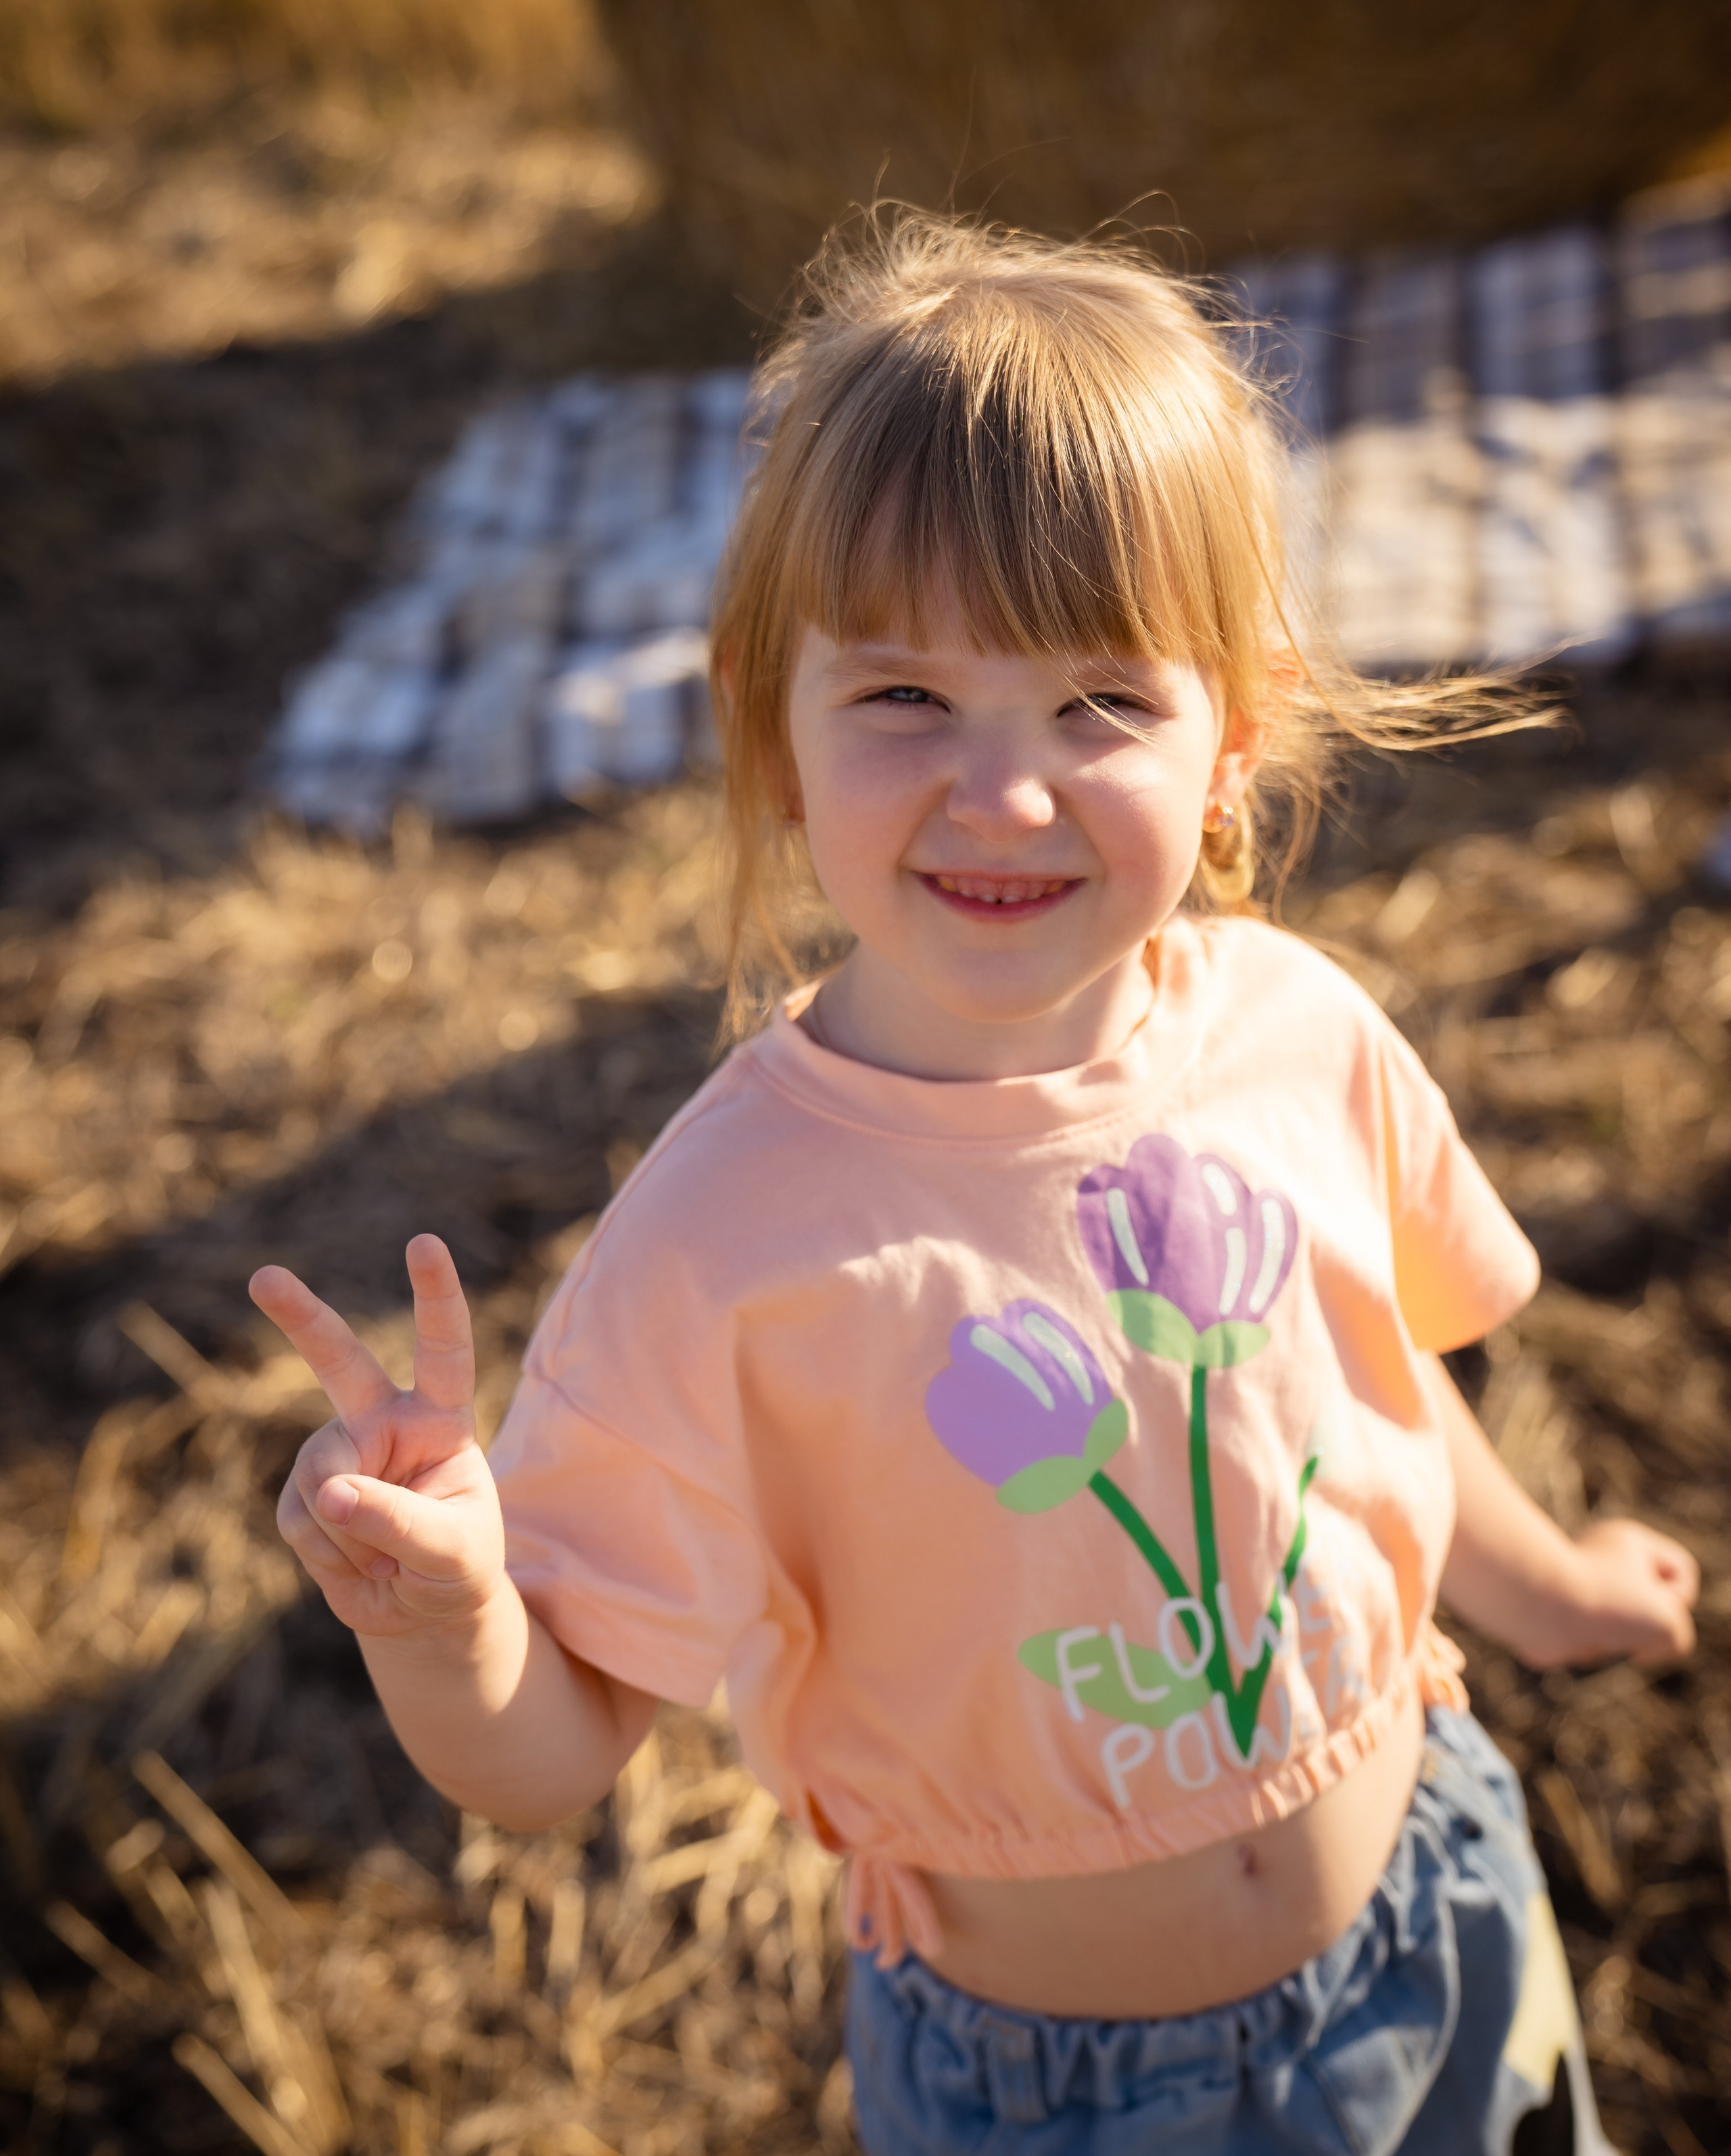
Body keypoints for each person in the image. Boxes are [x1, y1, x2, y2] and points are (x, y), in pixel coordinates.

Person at [252, 214, 1698, 2155]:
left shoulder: (1296, 1029)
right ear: (774, 727)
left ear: (1232, 735)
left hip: (1441, 1917)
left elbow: (1371, 1378)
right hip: (1065, 2093)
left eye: (1102, 699)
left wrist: (1549, 1582)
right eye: (907, 700)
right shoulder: (724, 1241)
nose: (1004, 791)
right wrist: (442, 1622)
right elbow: (554, 1746)